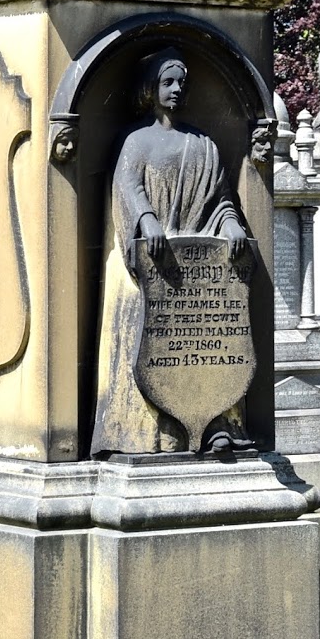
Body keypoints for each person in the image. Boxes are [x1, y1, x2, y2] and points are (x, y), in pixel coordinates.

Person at [91, 47, 250, 456]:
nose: (177, 89)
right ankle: (148, 434)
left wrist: (231, 225)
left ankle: (216, 424)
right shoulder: (136, 141)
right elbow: (127, 188)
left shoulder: (203, 145)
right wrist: (146, 220)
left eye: (181, 82)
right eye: (168, 82)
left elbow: (220, 201)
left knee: (212, 339)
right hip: (150, 266)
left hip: (199, 274)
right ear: (150, 88)